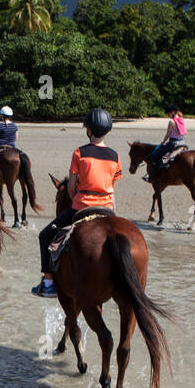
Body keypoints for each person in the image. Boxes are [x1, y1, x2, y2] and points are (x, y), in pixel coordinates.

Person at [32, 108, 122, 298]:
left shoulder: (79, 152)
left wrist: (77, 198)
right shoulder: (115, 156)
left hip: (82, 206)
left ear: (88, 130)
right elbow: (112, 186)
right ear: (107, 130)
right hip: (106, 208)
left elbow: (72, 187)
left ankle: (48, 282)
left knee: (45, 235)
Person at [143, 106, 187, 181]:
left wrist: (163, 142)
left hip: (173, 143)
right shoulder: (181, 120)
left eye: (168, 113)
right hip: (182, 143)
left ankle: (151, 176)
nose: (168, 115)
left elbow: (168, 134)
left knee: (154, 155)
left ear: (173, 112)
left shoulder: (171, 122)